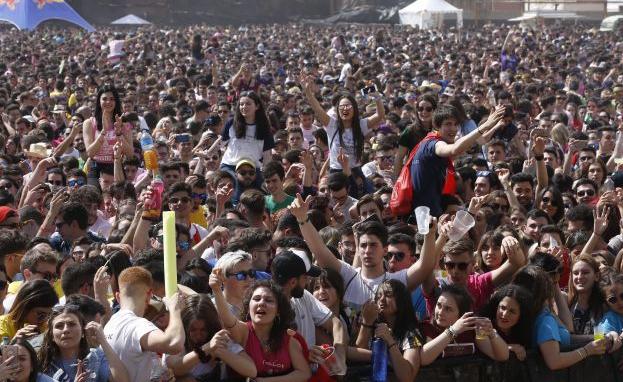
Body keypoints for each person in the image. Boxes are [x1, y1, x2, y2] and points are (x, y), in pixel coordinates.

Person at [409, 105, 506, 217]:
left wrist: (493, 125)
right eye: (448, 124)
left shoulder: (435, 141)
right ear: (437, 126)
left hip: (431, 214)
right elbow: (454, 149)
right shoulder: (433, 144)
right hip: (422, 220)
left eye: (456, 124)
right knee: (421, 235)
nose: (453, 129)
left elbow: (480, 140)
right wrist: (484, 126)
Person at [209, 277, 311, 381]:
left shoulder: (289, 339)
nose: (261, 303)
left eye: (269, 300)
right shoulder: (242, 331)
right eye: (256, 299)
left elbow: (304, 373)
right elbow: (227, 319)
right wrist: (217, 290)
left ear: (278, 311)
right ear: (248, 307)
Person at [512, 265, 607, 370]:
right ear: (545, 290)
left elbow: (568, 335)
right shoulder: (545, 320)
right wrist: (587, 351)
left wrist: (599, 338)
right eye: (552, 283)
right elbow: (554, 362)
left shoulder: (541, 313)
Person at [103, 266, 185, 382]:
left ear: (117, 296)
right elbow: (174, 344)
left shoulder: (109, 324)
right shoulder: (138, 325)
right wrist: (175, 310)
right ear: (149, 295)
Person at [164, 293, 257, 380]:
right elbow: (176, 369)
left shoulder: (218, 339)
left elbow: (252, 371)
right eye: (193, 330)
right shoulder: (177, 339)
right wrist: (205, 349)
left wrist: (220, 352)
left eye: (203, 330)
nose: (198, 334)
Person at [420, 284, 509, 365]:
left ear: (461, 314)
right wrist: (452, 331)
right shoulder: (428, 327)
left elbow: (502, 356)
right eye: (439, 305)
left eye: (448, 309)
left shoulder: (471, 329)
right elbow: (423, 358)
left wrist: (492, 333)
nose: (440, 312)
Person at [38, 304, 130, 382]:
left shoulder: (96, 357)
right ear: (52, 336)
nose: (66, 330)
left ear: (83, 332)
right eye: (59, 326)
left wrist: (103, 342)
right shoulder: (42, 363)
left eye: (72, 324)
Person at [356, 280, 421, 382]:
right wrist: (366, 322)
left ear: (402, 300)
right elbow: (359, 351)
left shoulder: (410, 333)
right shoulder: (372, 324)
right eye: (378, 296)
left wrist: (389, 340)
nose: (381, 300)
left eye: (388, 295)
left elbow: (407, 377)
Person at [82, 85, 133, 186]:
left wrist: (119, 133)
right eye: (104, 99)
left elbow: (130, 154)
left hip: (116, 166)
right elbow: (90, 153)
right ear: (99, 101)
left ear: (116, 102)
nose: (108, 102)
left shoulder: (124, 123)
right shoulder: (89, 123)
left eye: (112, 99)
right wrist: (103, 131)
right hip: (96, 167)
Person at [481, 284, 534, 360]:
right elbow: (492, 352)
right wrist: (508, 348)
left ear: (522, 315)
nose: (505, 314)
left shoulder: (524, 331)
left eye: (512, 311)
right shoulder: (483, 325)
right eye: (502, 308)